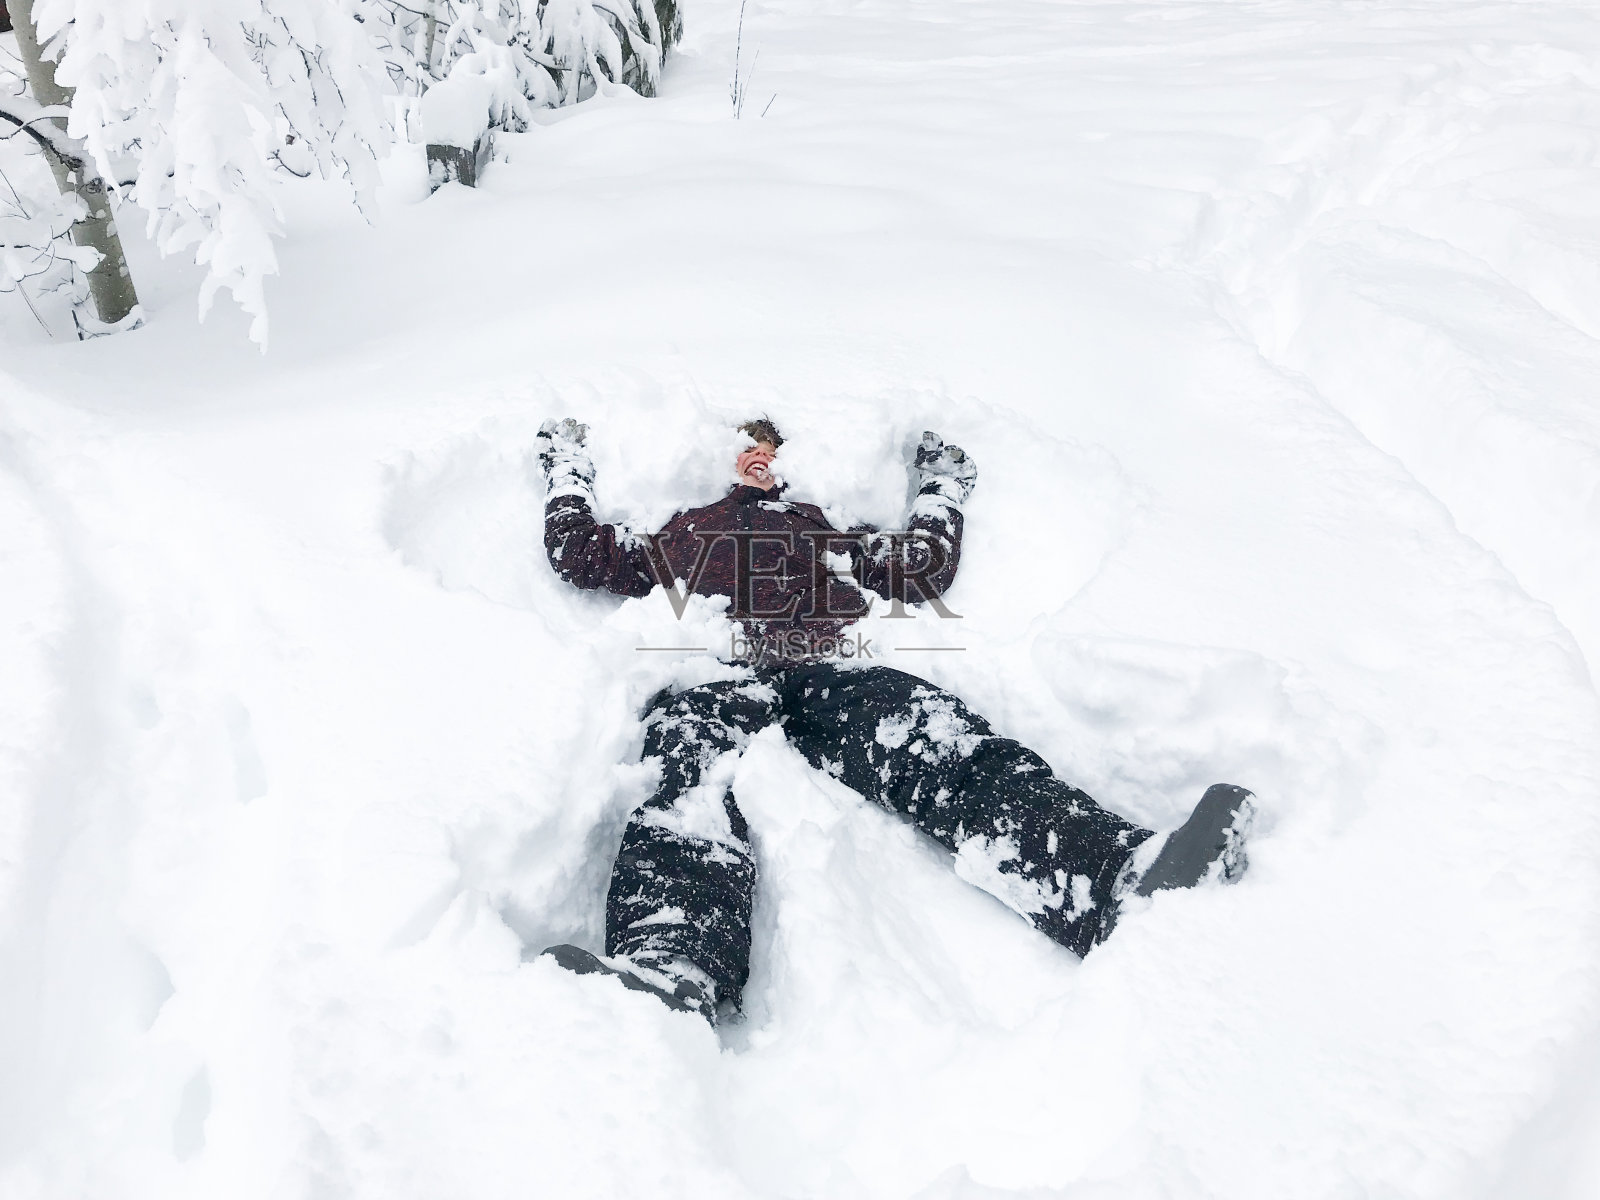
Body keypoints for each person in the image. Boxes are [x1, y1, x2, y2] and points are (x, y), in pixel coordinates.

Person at [535, 416, 1254, 1022]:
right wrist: (567, 471)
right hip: (715, 672)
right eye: (748, 448)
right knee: (686, 769)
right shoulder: (685, 531)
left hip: (825, 670)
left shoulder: (823, 526)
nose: (760, 458)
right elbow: (582, 553)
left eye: (772, 449)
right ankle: (674, 966)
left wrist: (942, 486)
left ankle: (1111, 875)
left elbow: (919, 566)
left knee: (934, 739)